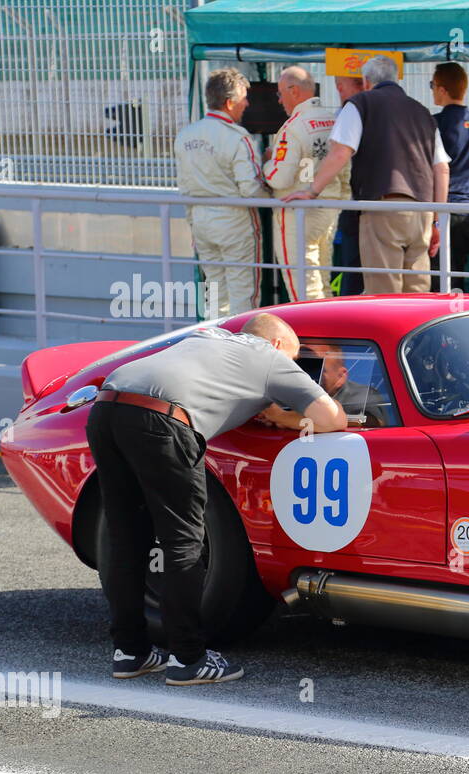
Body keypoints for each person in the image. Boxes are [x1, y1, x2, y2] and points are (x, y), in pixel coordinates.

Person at [86, 313, 346, 685]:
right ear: (276, 345)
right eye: (292, 360)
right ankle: (188, 659)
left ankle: (130, 652)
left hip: (106, 407)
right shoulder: (271, 357)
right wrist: (283, 417)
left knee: (126, 537)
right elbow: (333, 419)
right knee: (183, 543)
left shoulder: (207, 337)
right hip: (162, 421)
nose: (292, 368)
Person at [283, 55, 450, 294]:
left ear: (366, 81)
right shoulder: (422, 111)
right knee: (418, 291)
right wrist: (436, 220)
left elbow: (340, 153)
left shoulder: (361, 103)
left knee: (384, 289)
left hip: (382, 206)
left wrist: (311, 191)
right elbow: (442, 168)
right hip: (422, 213)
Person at [175, 69, 268, 318]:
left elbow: (184, 187)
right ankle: (242, 347)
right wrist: (274, 198)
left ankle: (214, 343)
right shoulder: (238, 138)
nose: (247, 104)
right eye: (244, 98)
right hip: (234, 223)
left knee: (215, 292)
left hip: (201, 223)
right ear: (229, 103)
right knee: (243, 292)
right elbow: (250, 189)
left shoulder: (185, 136)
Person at [265, 66, 349, 301]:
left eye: (280, 93)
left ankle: (309, 337)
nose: (280, 100)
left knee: (301, 286)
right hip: (330, 210)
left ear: (293, 91)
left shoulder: (292, 127)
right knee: (322, 280)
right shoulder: (334, 120)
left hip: (297, 212)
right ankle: (329, 332)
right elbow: (345, 171)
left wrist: (266, 163)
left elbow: (279, 177)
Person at [428, 62, 469, 291]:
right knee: (457, 273)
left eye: (432, 86)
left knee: (434, 275)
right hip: (465, 210)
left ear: (442, 89)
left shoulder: (433, 123)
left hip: (437, 211)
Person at [331, 74, 367, 296]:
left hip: (352, 204)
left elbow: (335, 157)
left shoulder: (345, 114)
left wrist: (311, 189)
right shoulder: (343, 114)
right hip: (365, 204)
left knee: (352, 270)